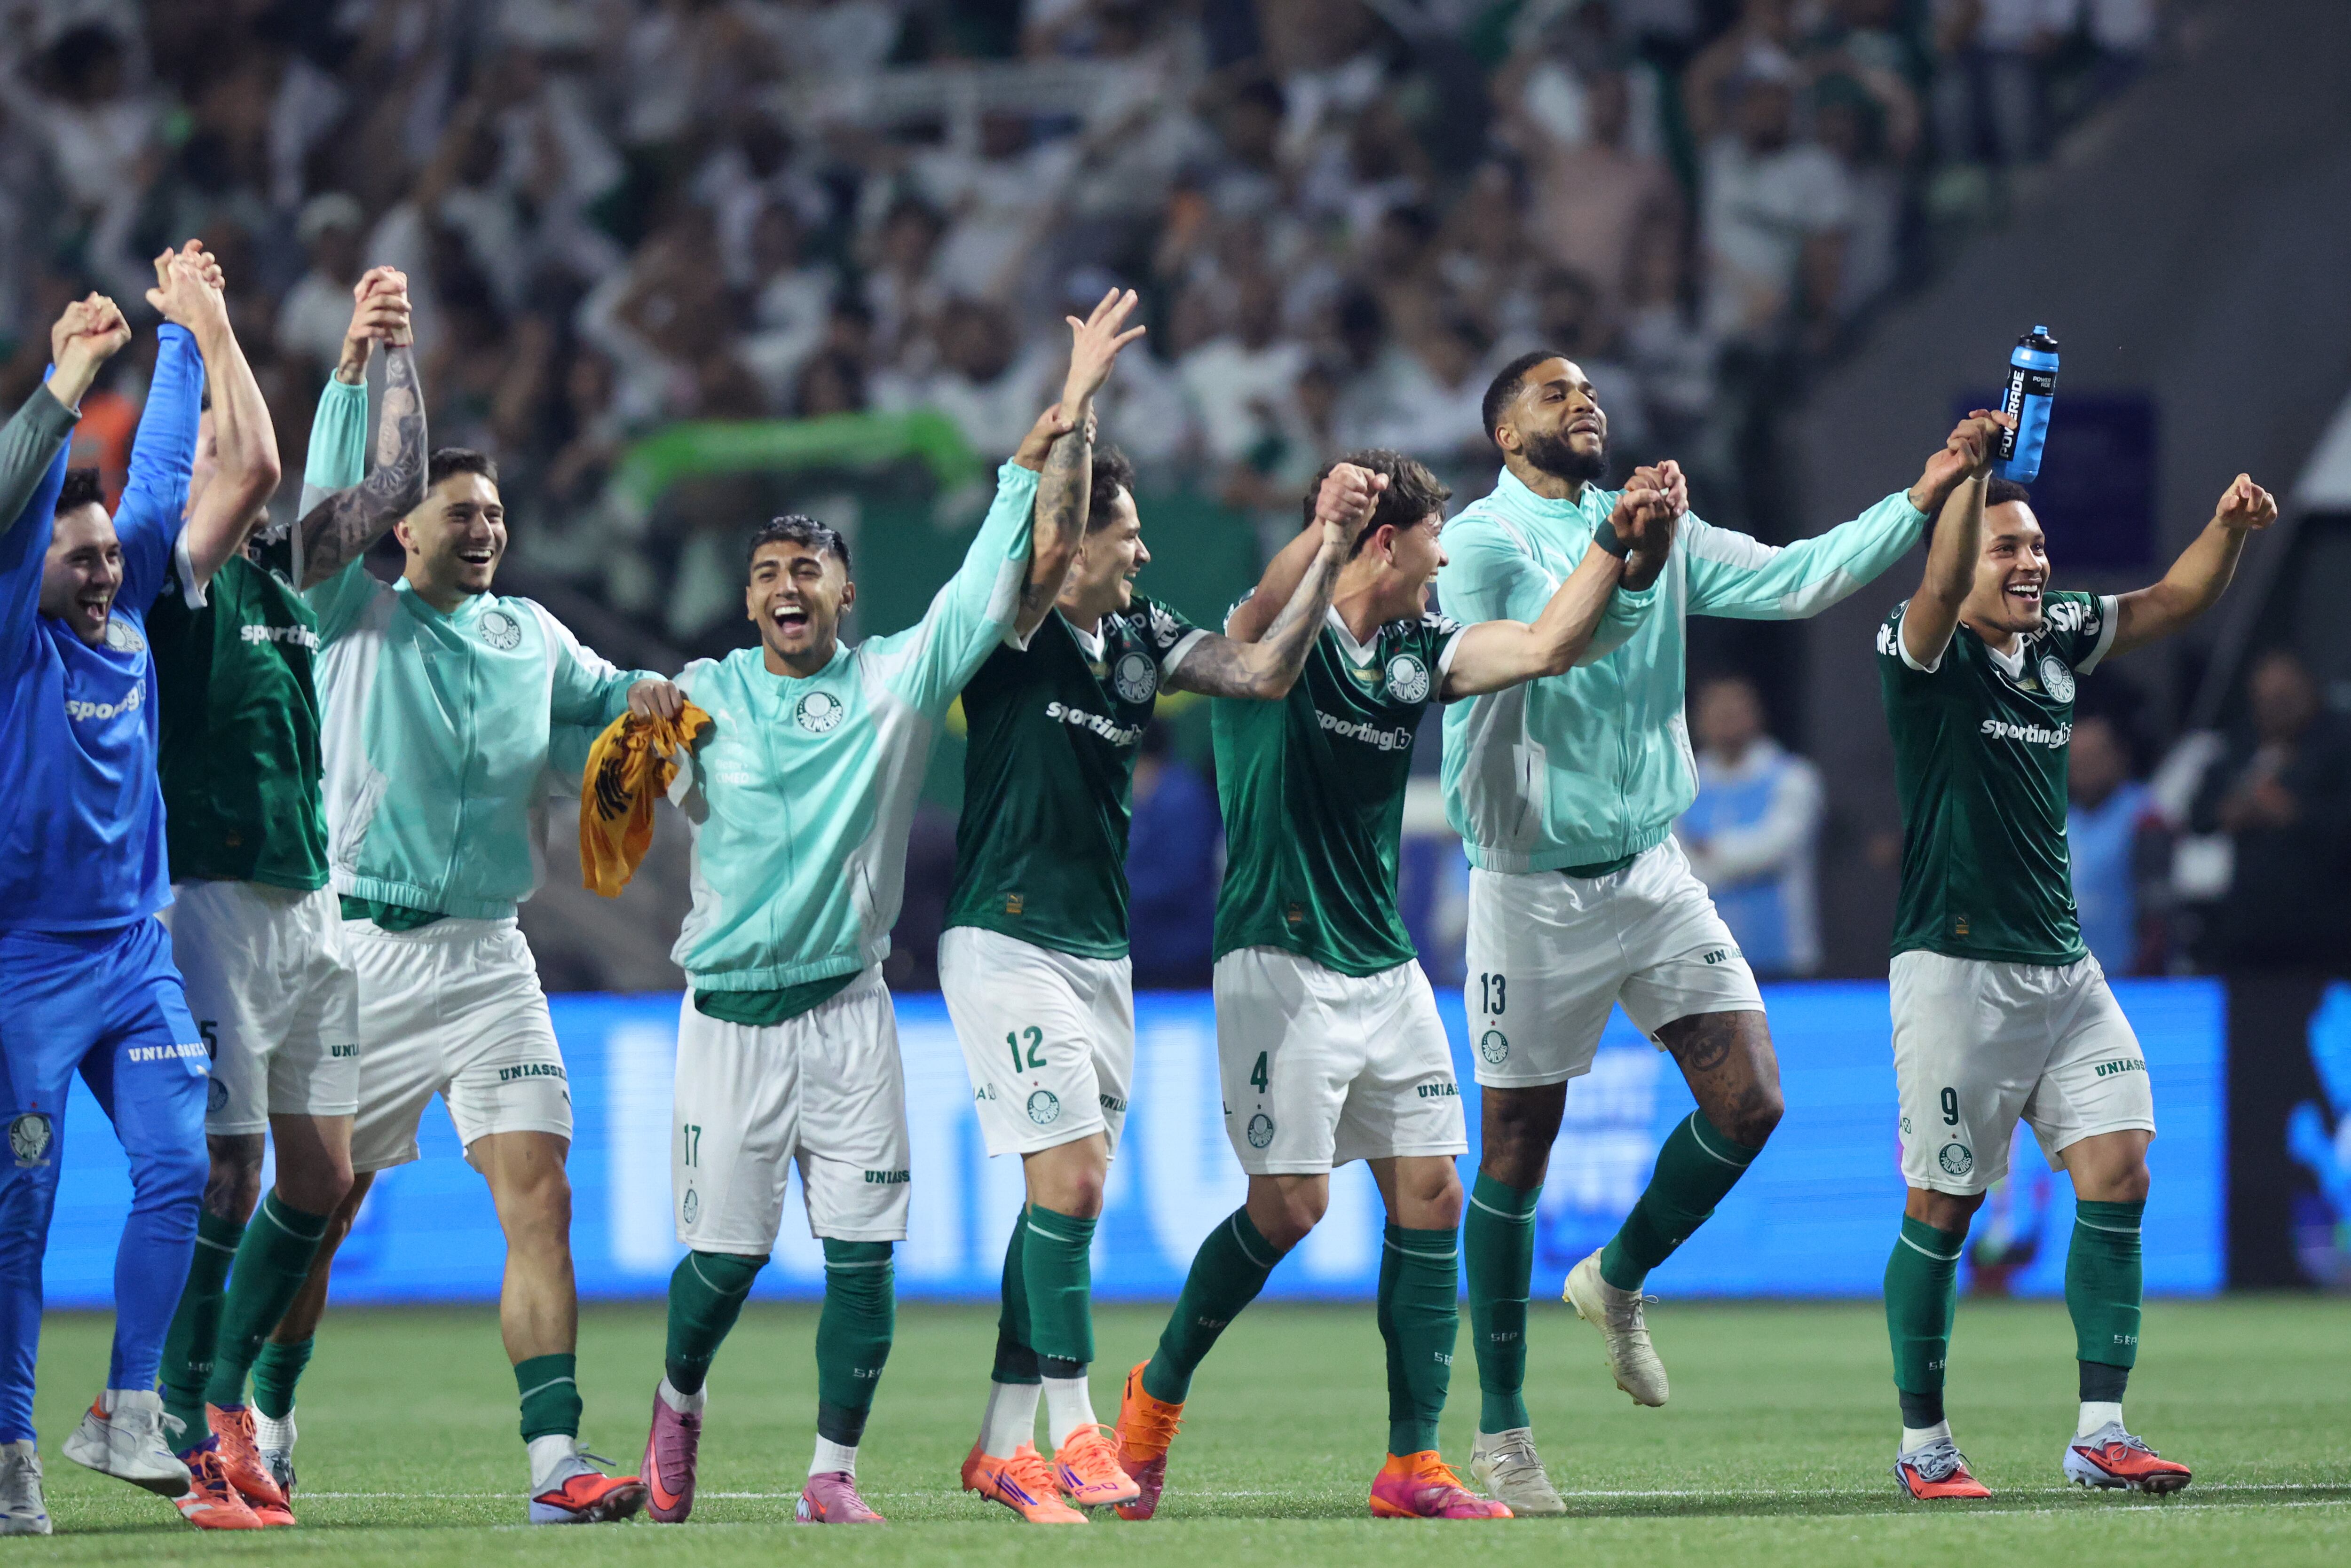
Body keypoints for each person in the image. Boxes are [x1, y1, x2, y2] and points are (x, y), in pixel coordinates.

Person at [1436, 348, 1989, 1514]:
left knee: (1751, 1102)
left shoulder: (1654, 524)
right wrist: (1630, 553)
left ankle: (1617, 1275)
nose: (1584, 399)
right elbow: (1554, 643)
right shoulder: (1481, 542)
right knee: (1515, 1151)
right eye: (1553, 392)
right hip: (1531, 884)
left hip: (1650, 867)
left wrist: (1923, 493)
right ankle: (1502, 1433)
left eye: (1590, 387)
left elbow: (1797, 580)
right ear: (1504, 434)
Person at [1112, 449, 1672, 1523]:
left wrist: (1614, 544)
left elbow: (1546, 644)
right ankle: (1155, 1394)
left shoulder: (1419, 650)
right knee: (1290, 1206)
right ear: (1384, 542)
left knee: (1432, 1193)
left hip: (1385, 964)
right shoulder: (1275, 635)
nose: (1442, 560)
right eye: (1430, 540)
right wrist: (1322, 529)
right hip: (1277, 959)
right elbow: (1267, 604)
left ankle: (1411, 1460)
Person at [632, 306, 1104, 1527]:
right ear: (748, 601)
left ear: (845, 589)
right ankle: (677, 1397)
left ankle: (830, 1472)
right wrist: (631, 741)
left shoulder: (895, 679)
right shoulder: (699, 697)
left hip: (849, 1010)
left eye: (808, 570)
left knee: (862, 1255)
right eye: (767, 573)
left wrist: (1034, 452)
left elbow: (982, 588)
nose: (787, 586)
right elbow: (620, 782)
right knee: (725, 1260)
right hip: (728, 1019)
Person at [947, 313, 1419, 1524]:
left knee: (1067, 1195)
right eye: (1128, 532)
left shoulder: (1141, 636)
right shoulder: (1017, 619)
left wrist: (1328, 544)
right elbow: (1047, 527)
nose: (1145, 550)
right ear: (1076, 542)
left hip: (1097, 949)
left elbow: (1260, 671)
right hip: (1004, 932)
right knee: (1070, 1184)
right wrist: (1077, 396)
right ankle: (1076, 1430)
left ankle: (1000, 1446)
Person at [284, 447, 682, 1525]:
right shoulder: (349, 613)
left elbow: (607, 695)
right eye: (459, 512)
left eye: (495, 512)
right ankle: (264, 1427)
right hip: (364, 952)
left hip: (491, 958)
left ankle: (555, 1458)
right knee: (322, 1209)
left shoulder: (532, 633)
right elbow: (323, 515)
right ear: (403, 529)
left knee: (541, 1199)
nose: (485, 529)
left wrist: (646, 698)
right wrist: (358, 386)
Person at [1878, 463, 2276, 1500]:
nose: (2033, 563)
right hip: (1955, 968)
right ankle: (1925, 1444)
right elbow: (1934, 588)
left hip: (2065, 968)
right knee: (1944, 1206)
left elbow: (2171, 599)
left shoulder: (2054, 635)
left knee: (2120, 1169)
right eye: (2007, 548)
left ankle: (2101, 1432)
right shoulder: (1924, 648)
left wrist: (2227, 527)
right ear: (1959, 558)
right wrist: (1965, 477)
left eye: (2038, 546)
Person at [150, 265, 426, 1529]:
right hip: (210, 899)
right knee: (230, 1168)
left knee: (317, 1176)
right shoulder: (176, 575)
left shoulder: (285, 576)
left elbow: (396, 486)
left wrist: (384, 353)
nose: (236, 446)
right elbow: (260, 460)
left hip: (310, 904)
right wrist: (209, 325)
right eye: (211, 432)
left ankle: (226, 1409)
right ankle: (185, 1419)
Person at [0, 265, 217, 1536]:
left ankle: (128, 1405)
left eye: (107, 558)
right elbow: (19, 504)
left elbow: (165, 482)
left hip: (135, 954)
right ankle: (9, 1445)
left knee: (180, 1160)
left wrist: (182, 336)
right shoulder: (14, 637)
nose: (99, 573)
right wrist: (65, 383)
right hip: (24, 963)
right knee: (20, 1208)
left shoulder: (127, 607)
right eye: (75, 557)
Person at [2189, 649, 2351, 971]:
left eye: (2284, 698)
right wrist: (2233, 811)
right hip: (2249, 929)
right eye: (2265, 700)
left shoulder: (2339, 746)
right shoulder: (2240, 746)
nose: (2275, 708)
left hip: (2323, 930)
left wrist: (2292, 813)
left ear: (2309, 691)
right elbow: (2199, 815)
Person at [1675, 672, 1825, 977]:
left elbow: (1773, 850)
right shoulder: (1680, 783)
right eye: (1717, 712)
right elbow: (1673, 862)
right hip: (1703, 958)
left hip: (1781, 957)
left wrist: (1709, 852)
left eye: (1735, 711)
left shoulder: (1793, 777)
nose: (1726, 720)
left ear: (1756, 715)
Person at [2065, 714, 2156, 977]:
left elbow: (2157, 910)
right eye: (2075, 759)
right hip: (2068, 976)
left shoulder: (2144, 817)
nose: (2082, 768)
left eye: (2092, 758)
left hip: (2126, 975)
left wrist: (2147, 971)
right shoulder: (2057, 818)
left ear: (2120, 756)